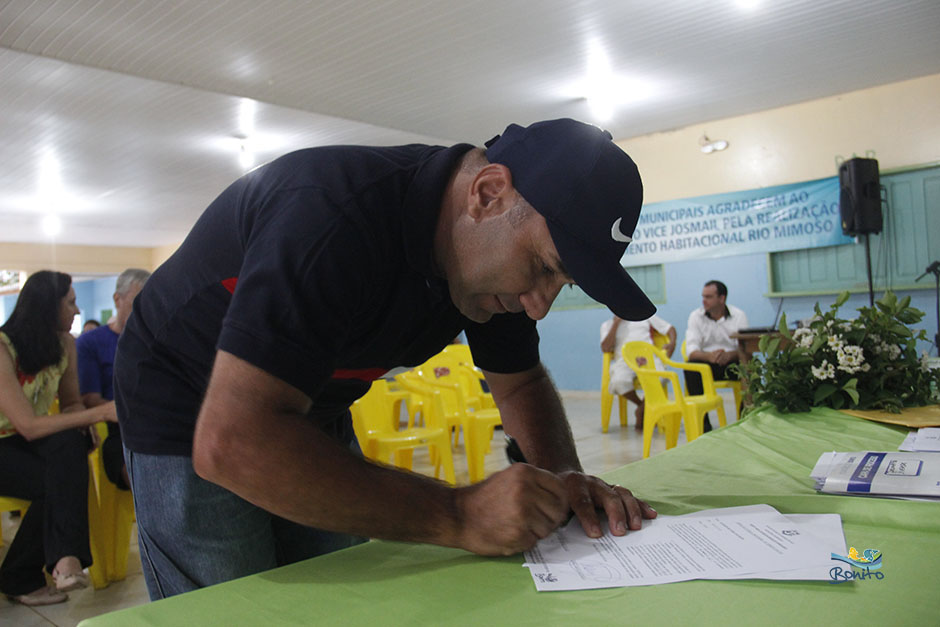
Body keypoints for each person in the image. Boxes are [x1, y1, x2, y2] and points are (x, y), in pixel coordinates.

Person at [114, 118, 660, 600]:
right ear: (489, 194)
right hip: (186, 395)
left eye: (560, 284)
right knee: (231, 607)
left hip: (309, 403)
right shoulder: (331, 218)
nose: (538, 306)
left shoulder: (493, 267)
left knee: (335, 594)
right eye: (545, 267)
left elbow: (518, 384)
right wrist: (459, 514)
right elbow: (233, 443)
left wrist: (562, 478)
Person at [0, 271, 118, 606]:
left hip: (24, 447)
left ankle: (65, 560)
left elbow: (69, 403)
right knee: (60, 479)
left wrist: (81, 419)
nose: (78, 311)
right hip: (8, 443)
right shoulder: (2, 348)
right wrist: (99, 414)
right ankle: (28, 573)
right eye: (70, 302)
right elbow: (28, 425)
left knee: (70, 445)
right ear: (46, 307)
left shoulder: (65, 344)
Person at [76, 268, 151, 490]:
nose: (143, 310)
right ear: (117, 299)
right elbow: (90, 399)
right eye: (136, 301)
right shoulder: (91, 343)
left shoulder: (156, 340)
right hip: (118, 425)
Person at [683, 280, 749, 431]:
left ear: (722, 298)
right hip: (708, 363)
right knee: (691, 368)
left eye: (709, 297)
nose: (704, 300)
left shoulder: (739, 316)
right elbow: (691, 351)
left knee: (749, 365)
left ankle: (745, 417)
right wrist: (709, 356)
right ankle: (703, 424)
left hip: (732, 362)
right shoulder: (695, 316)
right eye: (703, 296)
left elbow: (745, 347)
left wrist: (731, 355)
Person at [600, 314, 676, 429]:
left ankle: (642, 410)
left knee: (661, 376)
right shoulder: (607, 325)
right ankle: (643, 407)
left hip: (648, 358)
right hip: (624, 361)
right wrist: (616, 324)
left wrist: (672, 342)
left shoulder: (644, 316)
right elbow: (605, 348)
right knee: (619, 382)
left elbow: (670, 328)